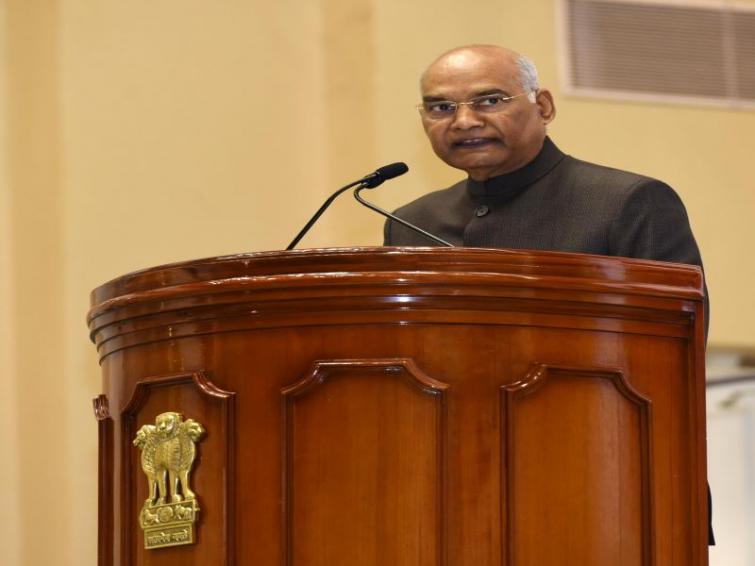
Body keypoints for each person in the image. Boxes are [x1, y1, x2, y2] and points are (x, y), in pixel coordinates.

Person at [383, 44, 713, 543]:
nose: (464, 121)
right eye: (441, 107)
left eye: (489, 100)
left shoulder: (627, 201)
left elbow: (676, 349)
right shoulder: (411, 222)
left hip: (610, 484)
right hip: (452, 493)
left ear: (544, 106)